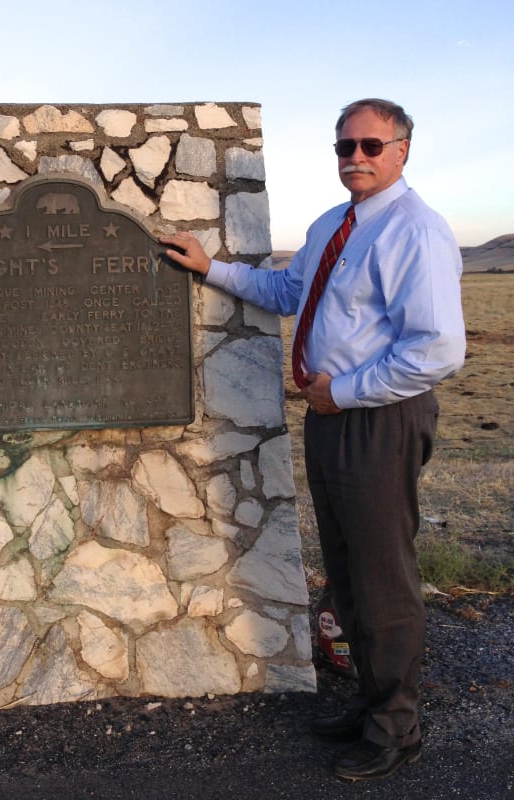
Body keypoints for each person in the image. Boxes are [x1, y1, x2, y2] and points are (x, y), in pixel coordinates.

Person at [161, 98, 465, 781]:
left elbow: (439, 348)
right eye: (344, 146)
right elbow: (287, 290)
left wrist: (345, 391)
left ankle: (397, 725)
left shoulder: (417, 232)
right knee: (350, 568)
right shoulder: (335, 224)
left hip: (378, 418)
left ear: (402, 150)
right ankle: (368, 700)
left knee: (384, 575)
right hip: (331, 417)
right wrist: (209, 268)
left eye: (370, 145)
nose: (355, 157)